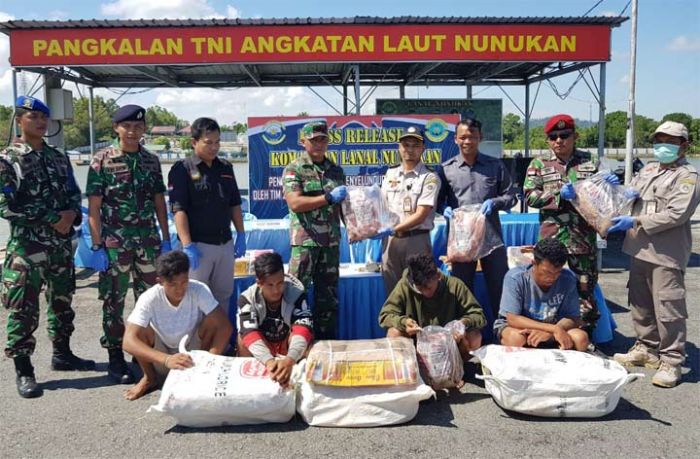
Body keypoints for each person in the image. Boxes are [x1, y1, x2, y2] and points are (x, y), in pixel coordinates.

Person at [0, 96, 95, 398]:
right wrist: (53, 218)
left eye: (44, 118)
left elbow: (72, 192)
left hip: (60, 246)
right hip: (27, 249)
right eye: (33, 116)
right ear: (19, 119)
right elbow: (5, 206)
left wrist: (72, 215)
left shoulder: (58, 157)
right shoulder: (8, 159)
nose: (40, 123)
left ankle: (62, 354)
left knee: (62, 303)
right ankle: (24, 370)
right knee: (23, 308)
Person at [608, 121, 700, 388]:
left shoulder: (687, 177)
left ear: (684, 145)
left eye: (670, 141)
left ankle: (672, 360)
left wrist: (634, 221)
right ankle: (646, 347)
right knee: (640, 302)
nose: (663, 146)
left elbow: (676, 214)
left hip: (665, 252)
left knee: (668, 306)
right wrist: (617, 188)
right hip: (638, 248)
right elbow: (630, 196)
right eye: (659, 140)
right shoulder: (648, 169)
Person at [86, 104, 172, 384]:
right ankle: (114, 356)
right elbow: (94, 208)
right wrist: (98, 246)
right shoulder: (102, 160)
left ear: (144, 128)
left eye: (138, 126)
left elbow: (160, 202)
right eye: (127, 126)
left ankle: (142, 355)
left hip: (148, 242)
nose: (133, 131)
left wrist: (166, 239)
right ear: (116, 128)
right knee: (113, 301)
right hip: (115, 244)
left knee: (148, 301)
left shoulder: (150, 161)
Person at [523, 114, 619, 334]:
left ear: (575, 136)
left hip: (582, 241)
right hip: (551, 241)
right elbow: (529, 196)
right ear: (548, 140)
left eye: (564, 135)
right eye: (553, 137)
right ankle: (549, 336)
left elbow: (606, 199)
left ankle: (586, 338)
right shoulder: (538, 164)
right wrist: (559, 196)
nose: (559, 141)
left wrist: (612, 185)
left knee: (585, 290)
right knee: (548, 287)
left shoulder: (591, 162)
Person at [122, 251, 232, 400]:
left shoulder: (198, 289)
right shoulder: (149, 297)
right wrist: (167, 359)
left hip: (193, 354)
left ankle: (203, 372)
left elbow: (225, 326)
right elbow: (128, 342)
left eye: (184, 282)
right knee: (138, 329)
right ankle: (149, 378)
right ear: (160, 281)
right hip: (161, 356)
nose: (180, 289)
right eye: (172, 284)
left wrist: (211, 359)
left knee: (213, 320)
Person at [438, 117, 516, 319]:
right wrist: (444, 209)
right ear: (455, 139)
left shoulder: (495, 166)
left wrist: (495, 203)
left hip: (491, 238)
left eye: (472, 137)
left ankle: (504, 331)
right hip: (462, 240)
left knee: (499, 286)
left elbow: (511, 197)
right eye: (463, 137)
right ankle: (468, 334)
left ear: (479, 138)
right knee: (462, 288)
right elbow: (438, 201)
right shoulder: (447, 169)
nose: (467, 141)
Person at [168, 117, 246, 316]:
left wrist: (241, 234)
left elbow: (234, 203)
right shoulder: (182, 169)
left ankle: (220, 344)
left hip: (224, 244)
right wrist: (187, 245)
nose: (214, 147)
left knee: (223, 295)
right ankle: (195, 345)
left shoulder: (226, 168)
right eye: (208, 142)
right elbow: (179, 209)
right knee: (195, 298)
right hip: (198, 246)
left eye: (217, 142)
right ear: (194, 142)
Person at [283, 120, 346, 339]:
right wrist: (327, 197)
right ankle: (291, 343)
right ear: (303, 142)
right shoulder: (294, 169)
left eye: (323, 139)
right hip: (305, 243)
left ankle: (325, 345)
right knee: (293, 294)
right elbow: (295, 203)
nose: (319, 144)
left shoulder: (336, 171)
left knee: (328, 299)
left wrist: (359, 229)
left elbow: (343, 208)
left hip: (330, 244)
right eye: (314, 140)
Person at [378, 253, 486, 360]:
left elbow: (478, 315)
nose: (425, 293)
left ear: (438, 276)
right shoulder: (405, 286)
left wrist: (462, 324)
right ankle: (408, 372)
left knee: (474, 337)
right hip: (417, 344)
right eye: (420, 289)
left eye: (428, 288)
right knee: (394, 333)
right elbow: (385, 315)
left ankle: (463, 372)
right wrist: (404, 322)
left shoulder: (455, 286)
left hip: (450, 344)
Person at [375, 125, 440, 294]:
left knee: (420, 291)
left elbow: (420, 215)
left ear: (423, 148)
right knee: (393, 293)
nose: (410, 149)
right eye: (406, 145)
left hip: (416, 241)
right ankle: (396, 321)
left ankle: (420, 322)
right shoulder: (390, 174)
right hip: (391, 243)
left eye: (415, 145)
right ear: (399, 147)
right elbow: (380, 206)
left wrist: (392, 228)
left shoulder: (430, 177)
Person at [494, 238, 589, 351]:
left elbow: (573, 317)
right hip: (521, 329)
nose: (552, 278)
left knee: (581, 338)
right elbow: (513, 319)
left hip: (554, 329)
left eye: (557, 272)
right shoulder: (515, 278)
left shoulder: (568, 279)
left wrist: (552, 331)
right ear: (534, 263)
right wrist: (552, 329)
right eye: (547, 272)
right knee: (515, 339)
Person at [237, 252, 313, 386]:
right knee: (242, 340)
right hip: (264, 344)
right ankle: (248, 384)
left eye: (280, 283)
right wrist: (270, 362)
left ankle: (300, 382)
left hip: (287, 344)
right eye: (270, 285)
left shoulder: (297, 293)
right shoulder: (247, 298)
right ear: (259, 283)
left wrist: (289, 360)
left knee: (308, 343)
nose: (276, 290)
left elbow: (303, 328)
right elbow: (249, 333)